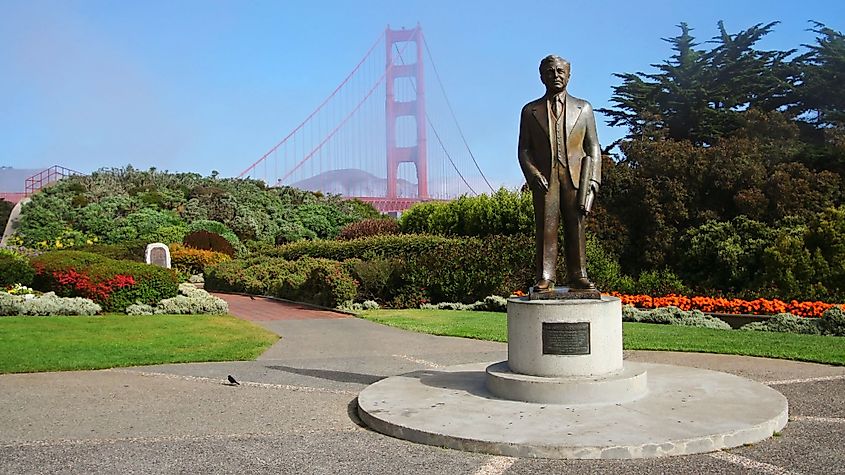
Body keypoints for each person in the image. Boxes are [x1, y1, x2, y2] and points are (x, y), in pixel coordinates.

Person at [518, 55, 601, 291]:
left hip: (576, 178)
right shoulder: (530, 111)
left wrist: (593, 181)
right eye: (550, 71)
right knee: (546, 226)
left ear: (569, 75)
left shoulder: (583, 108)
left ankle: (579, 275)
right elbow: (524, 149)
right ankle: (546, 275)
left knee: (576, 225)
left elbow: (593, 147)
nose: (556, 75)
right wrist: (533, 174)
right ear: (541, 76)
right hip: (545, 179)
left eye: (560, 71)